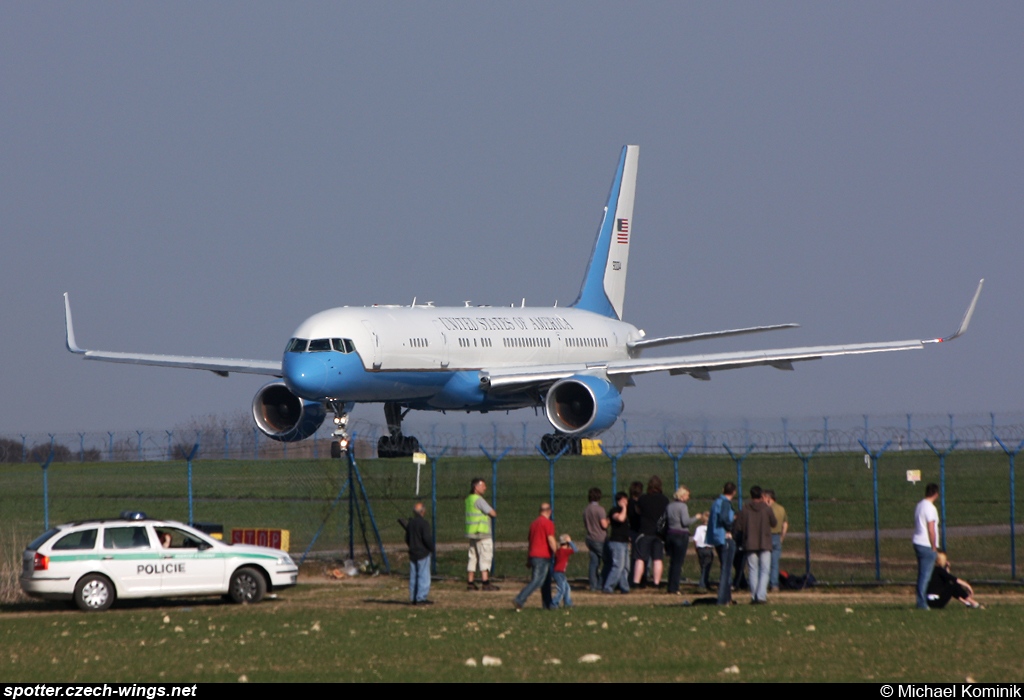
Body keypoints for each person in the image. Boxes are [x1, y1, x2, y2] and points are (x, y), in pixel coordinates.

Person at [733, 485, 777, 604]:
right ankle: (761, 595)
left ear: (751, 495)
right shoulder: (766, 509)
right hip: (765, 542)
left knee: (753, 570)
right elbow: (774, 523)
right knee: (764, 570)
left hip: (750, 542)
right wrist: (768, 507)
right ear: (762, 496)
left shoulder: (745, 509)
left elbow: (738, 526)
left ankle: (753, 596)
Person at [513, 503, 556, 610]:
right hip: (542, 556)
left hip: (534, 555)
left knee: (546, 582)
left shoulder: (533, 524)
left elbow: (531, 541)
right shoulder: (548, 523)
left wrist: (529, 558)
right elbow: (551, 540)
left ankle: (548, 605)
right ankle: (520, 599)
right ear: (549, 511)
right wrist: (557, 552)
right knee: (537, 581)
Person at [665, 485, 704, 594]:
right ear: (682, 496)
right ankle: (674, 587)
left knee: (673, 562)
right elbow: (686, 522)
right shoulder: (683, 507)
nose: (688, 498)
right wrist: (696, 517)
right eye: (687, 495)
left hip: (670, 534)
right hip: (680, 535)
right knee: (678, 562)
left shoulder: (669, 506)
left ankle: (670, 585)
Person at [633, 475, 669, 588]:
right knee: (657, 559)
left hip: (645, 531)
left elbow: (637, 511)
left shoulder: (643, 498)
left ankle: (636, 582)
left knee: (640, 558)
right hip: (659, 533)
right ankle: (656, 583)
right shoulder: (664, 499)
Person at [706, 481, 737, 605]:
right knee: (726, 569)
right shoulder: (725, 503)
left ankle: (727, 598)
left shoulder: (716, 502)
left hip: (716, 538)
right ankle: (723, 598)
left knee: (725, 567)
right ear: (734, 492)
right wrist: (729, 528)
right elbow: (724, 518)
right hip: (724, 538)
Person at [465, 477, 499, 591]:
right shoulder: (479, 500)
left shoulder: (468, 499)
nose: (485, 488)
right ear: (476, 487)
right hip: (482, 533)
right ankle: (485, 582)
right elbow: (493, 513)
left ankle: (470, 582)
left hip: (472, 532)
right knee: (485, 556)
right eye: (482, 486)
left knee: (472, 557)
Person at [913, 482, 941, 610]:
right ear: (936, 494)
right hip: (926, 543)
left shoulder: (919, 505)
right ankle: (921, 603)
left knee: (922, 574)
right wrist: (934, 546)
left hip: (917, 541)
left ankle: (921, 600)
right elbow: (931, 528)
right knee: (925, 576)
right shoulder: (930, 508)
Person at [404, 502, 434, 605]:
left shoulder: (410, 523)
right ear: (423, 511)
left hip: (413, 552)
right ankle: (421, 597)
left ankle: (413, 597)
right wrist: (431, 548)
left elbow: (407, 538)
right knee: (424, 576)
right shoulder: (424, 523)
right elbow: (426, 538)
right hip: (423, 552)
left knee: (413, 576)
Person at [602, 491, 631, 594]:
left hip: (624, 542)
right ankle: (608, 587)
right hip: (616, 542)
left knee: (626, 567)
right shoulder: (614, 511)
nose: (625, 502)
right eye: (623, 500)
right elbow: (620, 518)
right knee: (618, 565)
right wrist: (623, 508)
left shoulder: (627, 511)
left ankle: (624, 587)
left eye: (626, 500)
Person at [583, 487, 609, 591]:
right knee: (608, 561)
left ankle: (593, 585)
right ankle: (601, 584)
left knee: (594, 562)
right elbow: (604, 525)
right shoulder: (600, 509)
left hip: (590, 538)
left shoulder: (586, 509)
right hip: (599, 539)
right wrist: (609, 520)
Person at [764, 489, 788, 592]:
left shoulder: (766, 509)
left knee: (764, 562)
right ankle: (774, 584)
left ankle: (764, 583)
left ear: (768, 498)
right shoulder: (781, 509)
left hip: (767, 536)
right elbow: (785, 523)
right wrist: (782, 536)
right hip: (777, 536)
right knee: (775, 562)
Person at [551, 534, 578, 609]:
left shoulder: (559, 550)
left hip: (557, 572)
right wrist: (570, 542)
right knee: (561, 589)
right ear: (567, 544)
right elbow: (575, 550)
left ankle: (568, 603)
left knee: (567, 588)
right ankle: (554, 603)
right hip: (559, 572)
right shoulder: (565, 551)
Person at [692, 522, 715, 591]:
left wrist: (696, 548)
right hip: (708, 548)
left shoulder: (699, 528)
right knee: (706, 567)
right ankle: (702, 584)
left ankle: (706, 582)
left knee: (703, 567)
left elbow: (695, 539)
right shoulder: (711, 528)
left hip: (700, 549)